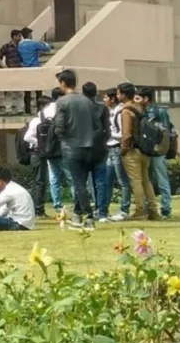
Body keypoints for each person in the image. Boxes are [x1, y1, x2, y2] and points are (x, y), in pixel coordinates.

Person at [53, 70, 104, 229]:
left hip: (71, 147)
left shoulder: (62, 102)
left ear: (63, 83)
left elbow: (59, 127)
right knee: (81, 181)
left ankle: (89, 216)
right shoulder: (88, 102)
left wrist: (61, 136)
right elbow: (97, 126)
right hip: (88, 147)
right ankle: (77, 214)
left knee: (78, 184)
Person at [121, 89, 159, 220]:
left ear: (123, 95)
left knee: (136, 181)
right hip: (144, 149)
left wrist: (124, 150)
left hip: (132, 150)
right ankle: (153, 210)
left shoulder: (127, 110)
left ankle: (140, 210)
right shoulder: (141, 108)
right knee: (146, 181)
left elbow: (126, 133)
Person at [138, 88, 173, 219]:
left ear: (146, 98)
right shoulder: (139, 111)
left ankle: (166, 209)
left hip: (157, 151)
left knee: (161, 179)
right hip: (144, 150)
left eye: (138, 98)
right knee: (146, 180)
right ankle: (149, 208)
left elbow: (166, 132)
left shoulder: (159, 111)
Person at [101, 87, 131, 222]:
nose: (104, 100)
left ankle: (124, 210)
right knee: (107, 180)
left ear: (112, 99)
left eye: (106, 97)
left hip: (118, 148)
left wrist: (108, 133)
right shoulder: (111, 111)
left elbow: (122, 134)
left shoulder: (120, 112)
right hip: (111, 149)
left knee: (123, 181)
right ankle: (104, 209)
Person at [82, 81, 110, 220]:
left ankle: (83, 210)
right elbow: (107, 129)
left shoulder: (80, 108)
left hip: (82, 147)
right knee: (100, 181)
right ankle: (102, 210)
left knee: (81, 182)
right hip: (99, 148)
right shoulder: (102, 108)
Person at [23, 95, 52, 217]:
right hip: (37, 153)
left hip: (43, 153)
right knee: (39, 182)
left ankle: (39, 208)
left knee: (42, 182)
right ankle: (38, 209)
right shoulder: (36, 121)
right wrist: (40, 143)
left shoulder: (48, 120)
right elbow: (27, 137)